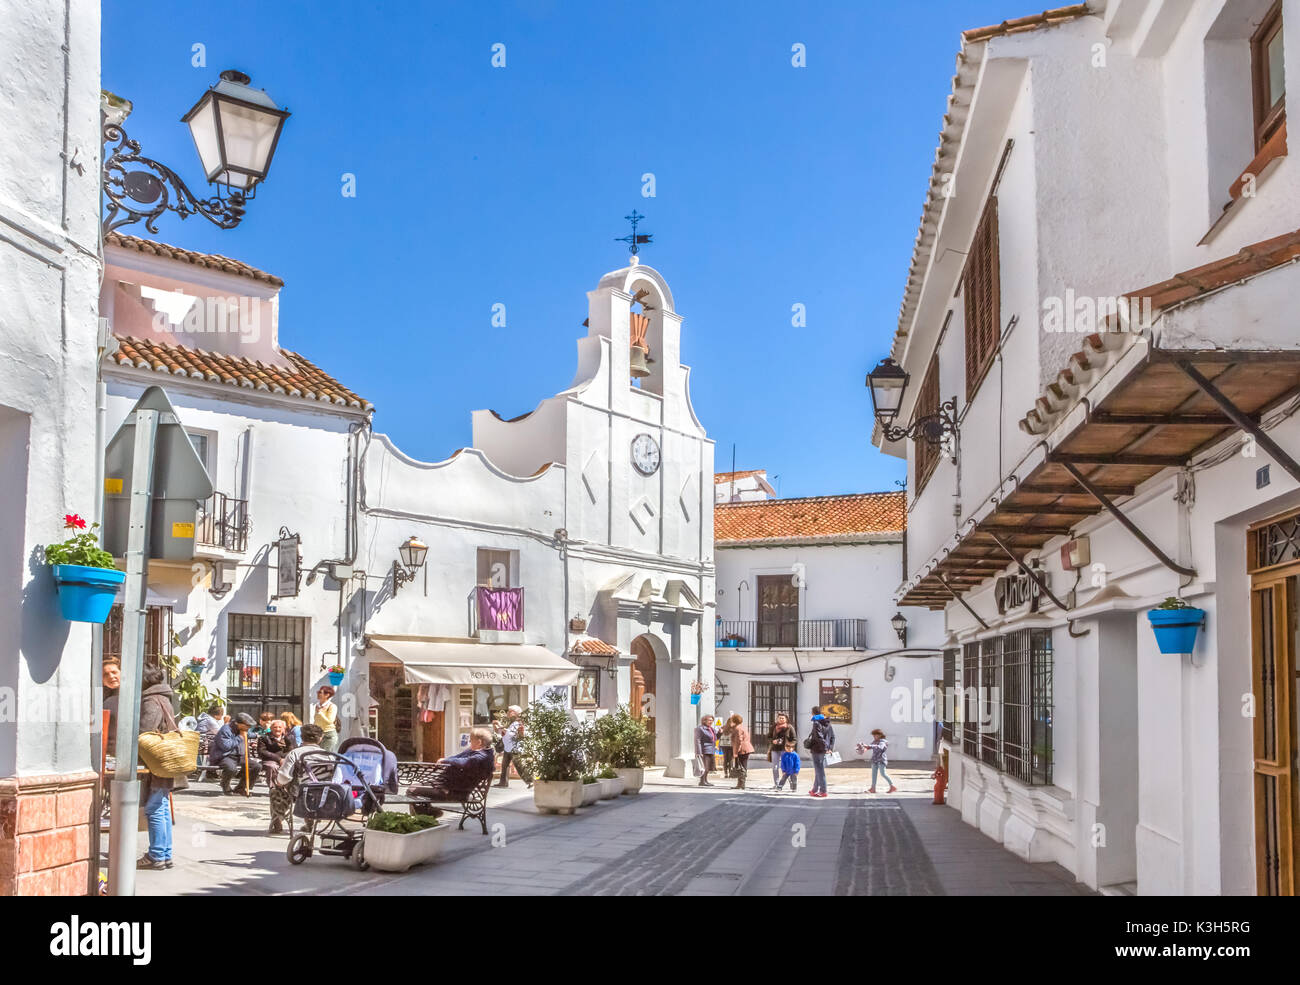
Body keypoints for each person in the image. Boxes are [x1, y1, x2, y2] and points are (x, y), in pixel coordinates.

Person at [137, 661, 180, 870]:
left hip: (155, 763)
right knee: (161, 808)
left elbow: (145, 732)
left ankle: (156, 855)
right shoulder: (164, 699)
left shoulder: (151, 701)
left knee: (154, 809)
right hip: (164, 763)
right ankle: (164, 854)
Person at [408, 727, 497, 804]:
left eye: (471, 740)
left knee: (412, 790)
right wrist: (447, 760)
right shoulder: (477, 752)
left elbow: (464, 762)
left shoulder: (482, 757)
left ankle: (430, 813)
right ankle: (429, 813)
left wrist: (446, 760)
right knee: (416, 787)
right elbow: (457, 757)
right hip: (447, 786)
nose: (469, 742)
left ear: (479, 742)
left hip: (454, 792)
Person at [269, 724, 325, 834]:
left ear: (302, 737)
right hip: (325, 793)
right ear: (320, 739)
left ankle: (277, 821)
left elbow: (284, 777)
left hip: (300, 793)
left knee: (276, 789)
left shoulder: (295, 753)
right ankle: (310, 823)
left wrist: (279, 783)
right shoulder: (329, 755)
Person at [210, 712, 257, 795]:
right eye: (247, 725)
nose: (249, 727)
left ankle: (241, 787)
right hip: (226, 756)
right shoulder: (225, 730)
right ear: (238, 723)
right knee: (231, 768)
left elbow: (250, 734)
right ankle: (225, 785)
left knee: (256, 766)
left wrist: (256, 735)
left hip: (240, 756)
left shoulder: (243, 729)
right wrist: (240, 737)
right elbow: (226, 746)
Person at [494, 705, 533, 789]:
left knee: (520, 766)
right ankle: (503, 782)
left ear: (515, 713)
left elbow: (519, 734)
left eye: (510, 711)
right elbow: (504, 733)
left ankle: (530, 781)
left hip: (515, 748)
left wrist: (505, 731)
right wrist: (500, 729)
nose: (508, 713)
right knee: (505, 765)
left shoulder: (519, 722)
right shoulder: (510, 722)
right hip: (508, 746)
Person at [805, 705, 836, 798]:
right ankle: (814, 789)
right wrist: (830, 748)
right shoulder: (828, 723)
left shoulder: (816, 723)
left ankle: (823, 790)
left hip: (817, 749)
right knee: (819, 770)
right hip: (824, 750)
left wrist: (825, 748)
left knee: (820, 771)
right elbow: (833, 737)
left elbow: (819, 737)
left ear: (813, 713)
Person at [257, 718, 297, 788]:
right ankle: (274, 788)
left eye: (280, 727)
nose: (277, 729)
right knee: (272, 766)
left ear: (284, 728)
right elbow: (262, 751)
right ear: (271, 728)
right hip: (270, 760)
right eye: (275, 727)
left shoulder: (289, 737)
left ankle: (289, 788)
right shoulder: (264, 738)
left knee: (295, 766)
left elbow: (292, 750)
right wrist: (278, 759)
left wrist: (285, 759)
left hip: (286, 759)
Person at [859, 728, 897, 794]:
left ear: (879, 735)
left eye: (875, 735)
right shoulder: (875, 741)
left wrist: (868, 746)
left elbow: (879, 747)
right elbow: (869, 747)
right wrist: (862, 748)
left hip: (881, 760)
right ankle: (873, 789)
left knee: (883, 774)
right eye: (873, 735)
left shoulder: (883, 741)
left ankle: (892, 786)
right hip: (874, 760)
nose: (874, 737)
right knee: (874, 775)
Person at [768, 713, 797, 788]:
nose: (781, 719)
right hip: (775, 749)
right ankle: (777, 784)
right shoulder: (774, 727)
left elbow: (794, 739)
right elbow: (768, 736)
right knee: (775, 767)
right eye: (779, 718)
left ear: (786, 719)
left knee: (787, 767)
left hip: (785, 749)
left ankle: (791, 783)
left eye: (782, 718)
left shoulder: (789, 727)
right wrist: (773, 741)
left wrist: (789, 745)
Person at [102, 659, 121, 758]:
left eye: (114, 672)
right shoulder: (101, 699)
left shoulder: (131, 697)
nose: (111, 676)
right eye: (106, 674)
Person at [730, 714, 754, 790]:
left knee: (742, 766)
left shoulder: (738, 728)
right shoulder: (743, 727)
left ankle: (741, 784)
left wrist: (735, 752)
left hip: (742, 749)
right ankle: (740, 783)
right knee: (742, 766)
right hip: (746, 748)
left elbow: (738, 741)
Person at [312, 685, 340, 752]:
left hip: (329, 735)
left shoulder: (332, 706)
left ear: (327, 695)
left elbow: (330, 721)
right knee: (318, 753)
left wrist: (320, 713)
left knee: (326, 755)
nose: (317, 694)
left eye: (320, 692)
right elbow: (317, 720)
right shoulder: (318, 705)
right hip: (319, 734)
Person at [693, 713, 717, 786]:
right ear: (704, 721)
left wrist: (720, 733)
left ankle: (705, 780)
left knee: (708, 767)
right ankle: (702, 781)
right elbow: (697, 740)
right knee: (704, 767)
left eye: (712, 720)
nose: (711, 721)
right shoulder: (700, 728)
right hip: (704, 750)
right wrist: (699, 752)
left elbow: (714, 739)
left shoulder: (711, 729)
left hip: (711, 750)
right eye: (709, 720)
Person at [718, 713, 734, 778]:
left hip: (724, 745)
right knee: (729, 759)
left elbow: (719, 736)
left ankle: (726, 773)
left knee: (726, 759)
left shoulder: (723, 727)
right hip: (729, 745)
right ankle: (728, 773)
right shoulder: (733, 729)